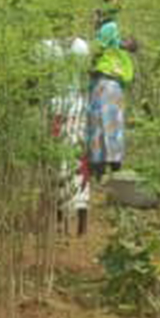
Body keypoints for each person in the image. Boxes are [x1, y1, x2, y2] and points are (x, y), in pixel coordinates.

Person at [38, 34, 91, 235]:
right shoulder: (81, 46)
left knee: (59, 161)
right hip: (76, 108)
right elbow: (87, 78)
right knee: (76, 162)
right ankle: (79, 224)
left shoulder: (45, 46)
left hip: (58, 110)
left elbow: (39, 79)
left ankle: (62, 221)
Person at [85, 18, 135, 184]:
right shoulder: (109, 48)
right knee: (97, 124)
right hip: (99, 83)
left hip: (110, 84)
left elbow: (109, 32)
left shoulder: (116, 47)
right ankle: (99, 165)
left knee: (110, 124)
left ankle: (112, 164)